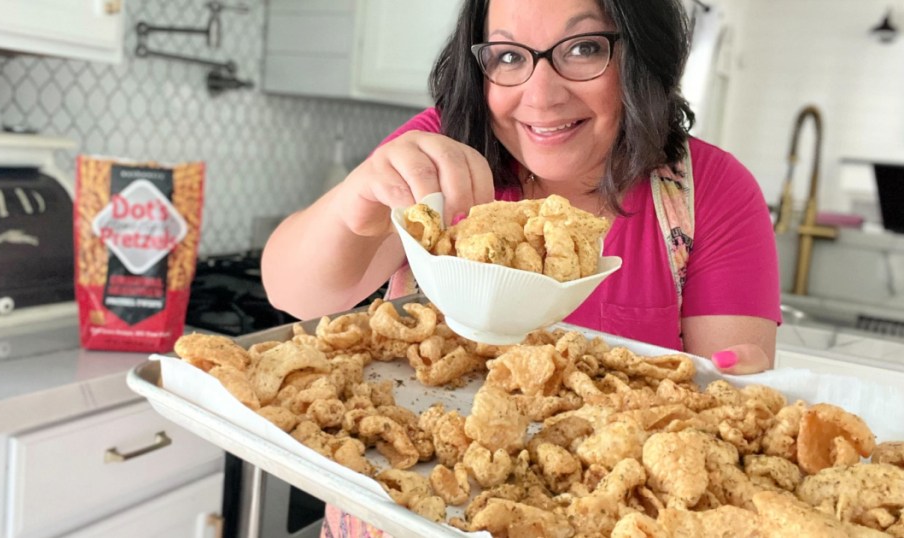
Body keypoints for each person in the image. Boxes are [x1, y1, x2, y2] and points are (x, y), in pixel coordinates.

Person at [262, 0, 781, 534]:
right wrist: (358, 197)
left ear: (643, 54)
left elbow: (721, 415)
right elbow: (295, 294)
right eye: (509, 56)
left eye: (583, 48)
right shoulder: (443, 153)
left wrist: (743, 393)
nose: (540, 95)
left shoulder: (713, 194)